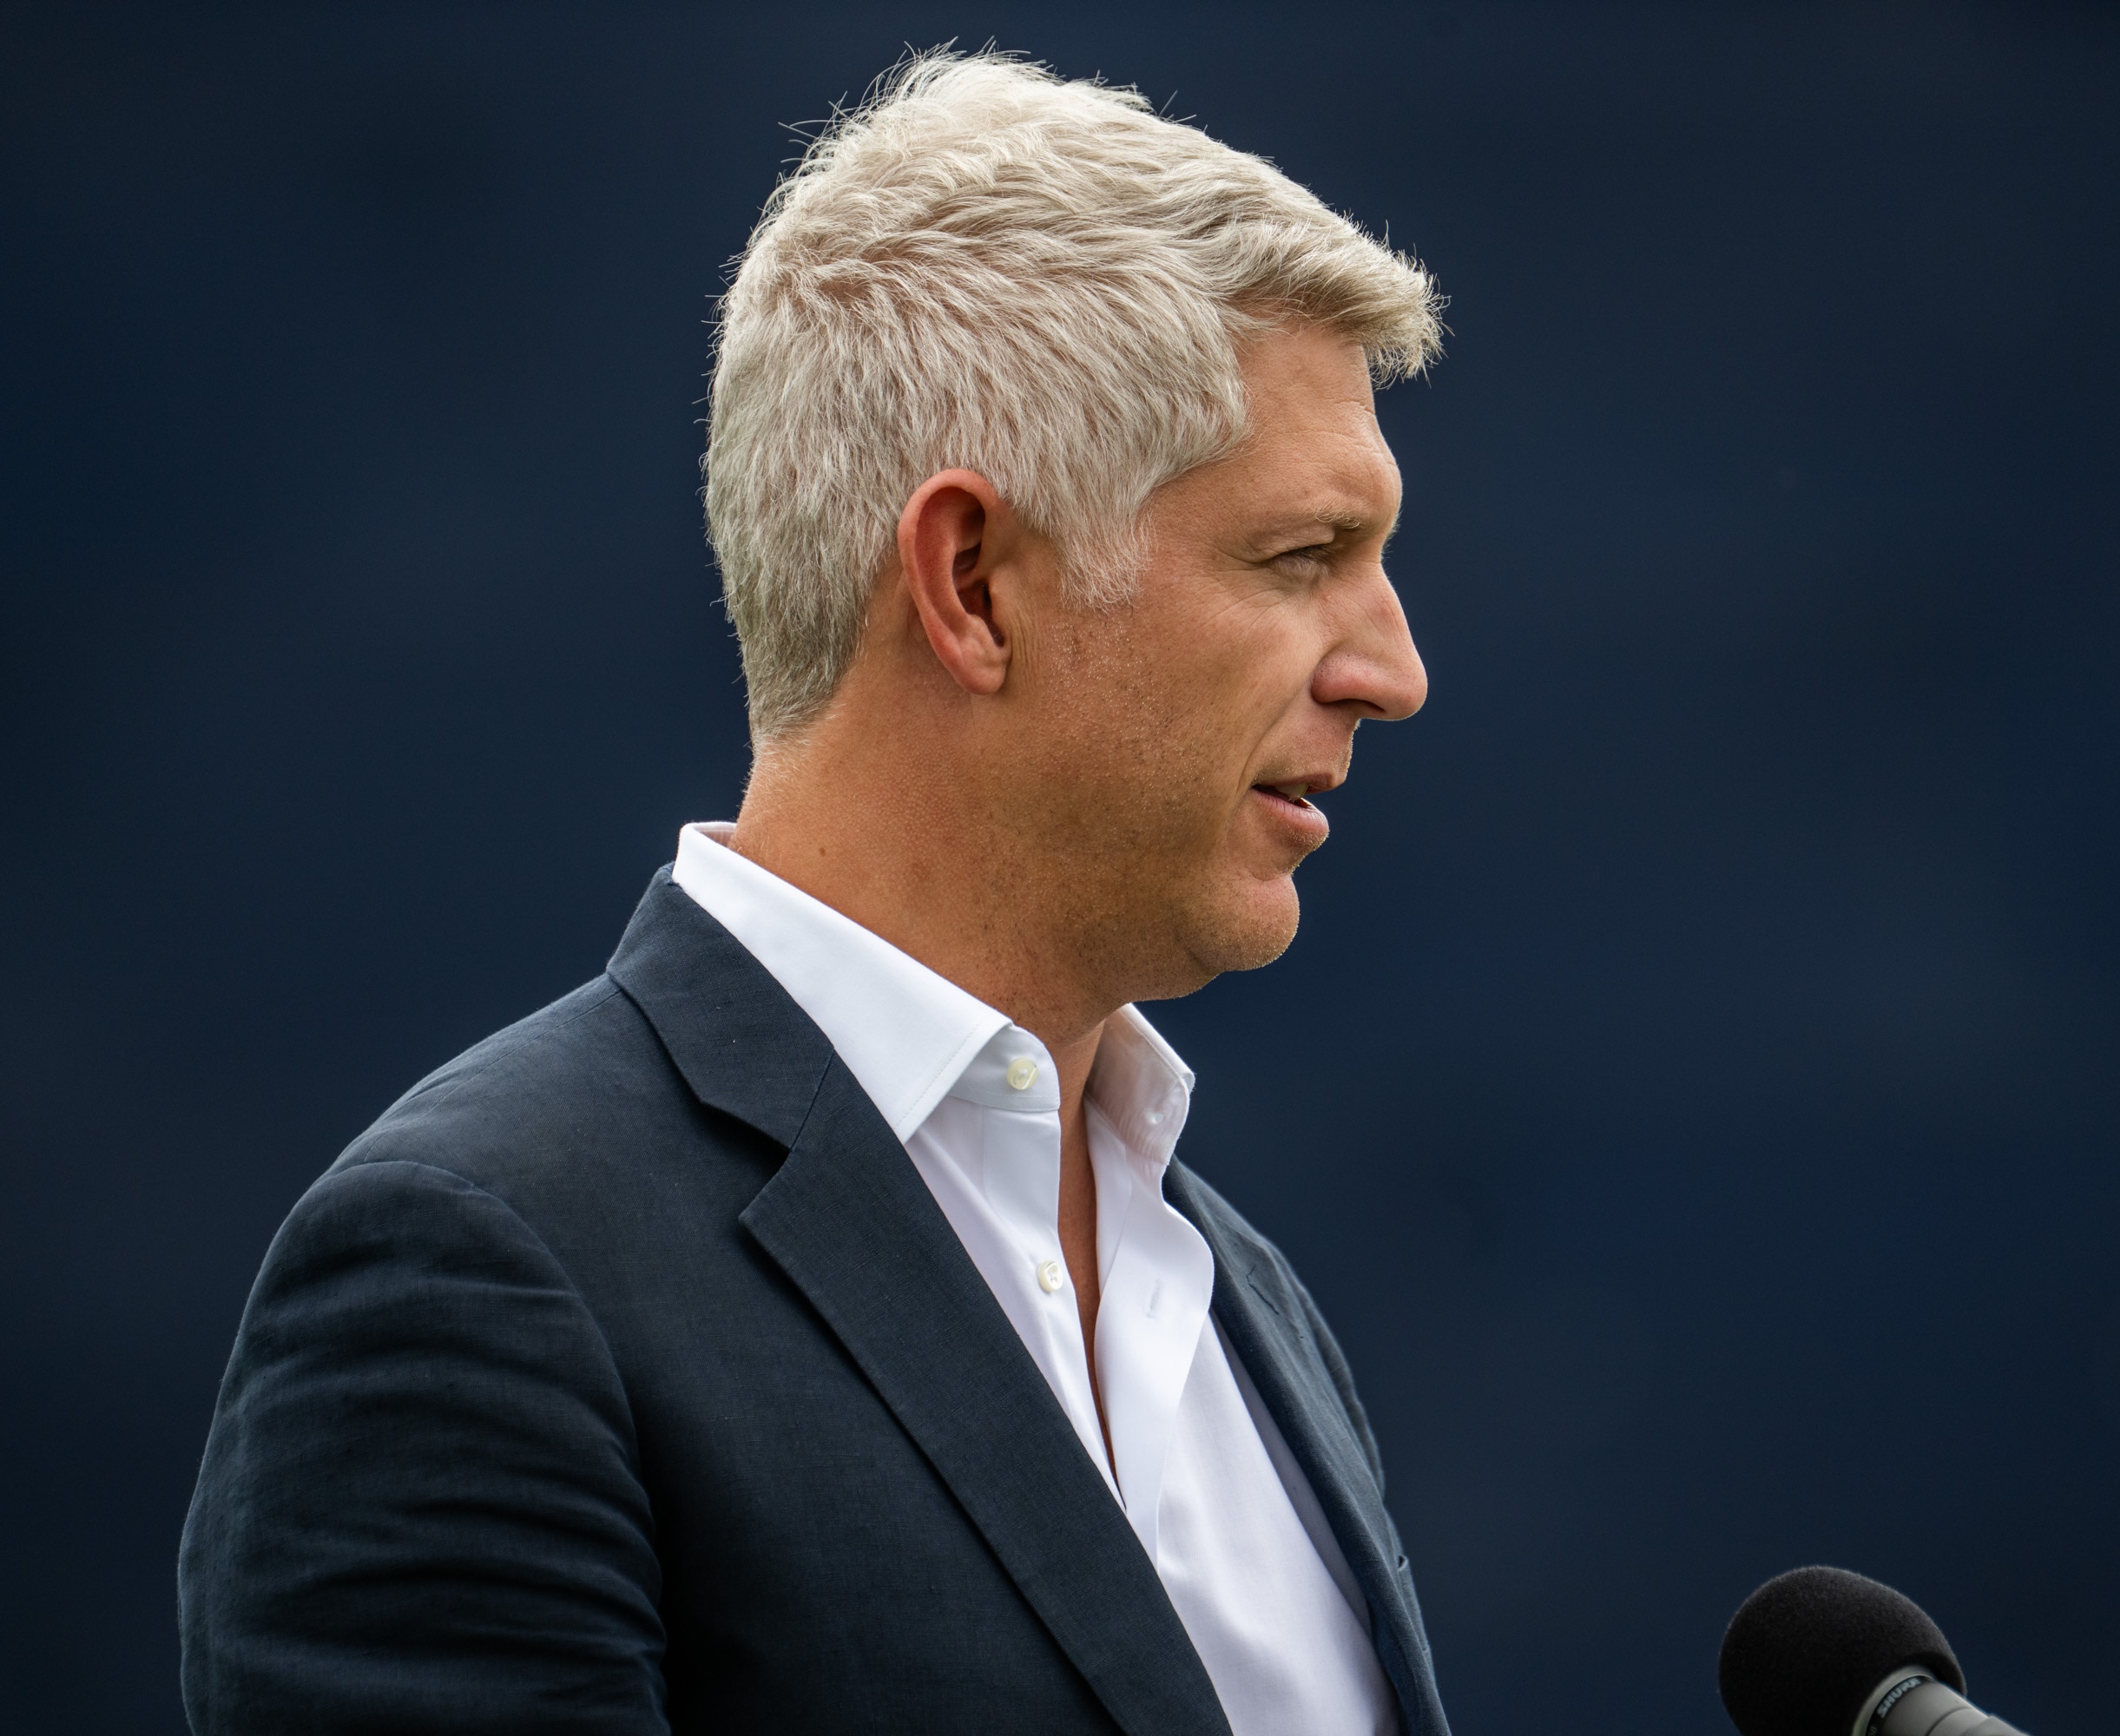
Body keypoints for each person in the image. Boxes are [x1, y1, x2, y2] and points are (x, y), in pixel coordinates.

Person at [179, 49, 1448, 1736]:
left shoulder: (1238, 1296)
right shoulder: (483, 1273)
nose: (1394, 669)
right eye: (1300, 558)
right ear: (973, 581)